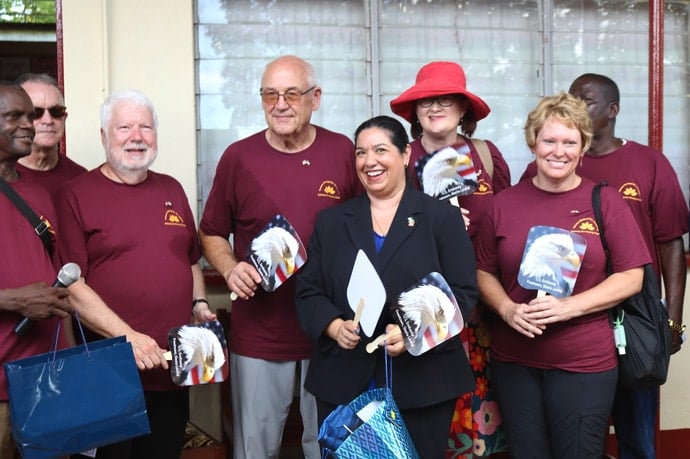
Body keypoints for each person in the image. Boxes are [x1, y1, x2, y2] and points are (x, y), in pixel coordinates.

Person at [199, 55, 361, 459]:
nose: (280, 104)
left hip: (330, 330)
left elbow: (369, 225)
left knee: (326, 445)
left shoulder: (343, 151)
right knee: (256, 448)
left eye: (291, 93)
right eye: (270, 94)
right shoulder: (238, 158)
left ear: (315, 98)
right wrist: (229, 267)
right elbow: (212, 231)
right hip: (261, 332)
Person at [521, 74, 689, 458]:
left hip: (634, 319)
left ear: (613, 110)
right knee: (576, 437)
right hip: (568, 325)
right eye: (574, 98)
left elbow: (670, 242)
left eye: (589, 100)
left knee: (637, 436)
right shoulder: (543, 169)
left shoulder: (649, 163)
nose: (579, 105)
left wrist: (672, 321)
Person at [475, 92, 651, 458]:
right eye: (549, 140)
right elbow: (482, 272)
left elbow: (632, 276)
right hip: (515, 363)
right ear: (533, 142)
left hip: (584, 363)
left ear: (583, 147)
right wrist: (507, 309)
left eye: (570, 142)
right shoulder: (502, 204)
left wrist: (568, 308)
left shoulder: (606, 202)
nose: (559, 151)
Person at [295, 115, 479, 458]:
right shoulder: (332, 222)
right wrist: (333, 326)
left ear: (405, 154)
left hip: (423, 381)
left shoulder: (441, 218)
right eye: (361, 153)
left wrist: (413, 334)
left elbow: (462, 292)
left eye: (381, 150)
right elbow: (308, 291)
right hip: (344, 379)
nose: (370, 161)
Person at [54, 89, 214, 459]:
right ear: (103, 137)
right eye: (124, 127)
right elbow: (72, 286)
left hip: (171, 370)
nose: (136, 136)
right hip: (106, 374)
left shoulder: (171, 188)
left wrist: (201, 301)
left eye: (145, 127)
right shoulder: (75, 195)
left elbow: (189, 260)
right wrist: (131, 339)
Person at [390, 60, 511, 455]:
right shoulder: (398, 160)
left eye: (446, 100)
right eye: (426, 100)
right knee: (425, 419)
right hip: (421, 306)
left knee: (481, 409)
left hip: (481, 308)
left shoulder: (486, 156)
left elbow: (511, 217)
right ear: (414, 112)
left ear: (463, 109)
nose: (435, 107)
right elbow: (375, 228)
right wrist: (430, 222)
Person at [0, 82, 73, 459]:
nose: (29, 125)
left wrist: (73, 368)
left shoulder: (40, 196)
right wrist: (15, 300)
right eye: (15, 116)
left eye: (30, 116)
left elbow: (60, 288)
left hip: (47, 381)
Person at [15, 73, 87, 194]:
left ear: (64, 118)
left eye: (56, 111)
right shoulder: (4, 175)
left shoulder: (81, 179)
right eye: (35, 112)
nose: (48, 121)